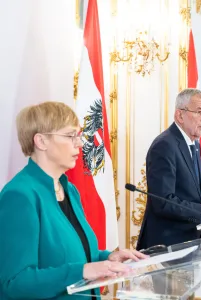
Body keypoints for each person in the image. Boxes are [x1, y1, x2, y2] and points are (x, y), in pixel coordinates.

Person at [0, 102, 147, 300]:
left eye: (78, 136)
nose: (79, 144)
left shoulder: (69, 189)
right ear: (41, 141)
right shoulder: (20, 196)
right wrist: (83, 271)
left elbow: (71, 255)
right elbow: (15, 283)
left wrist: (107, 258)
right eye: (71, 136)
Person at [137, 88, 201, 250]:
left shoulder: (193, 143)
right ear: (180, 115)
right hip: (166, 245)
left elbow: (191, 188)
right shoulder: (165, 145)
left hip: (187, 241)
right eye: (199, 111)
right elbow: (163, 201)